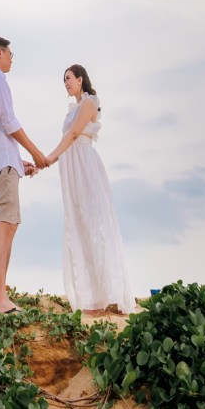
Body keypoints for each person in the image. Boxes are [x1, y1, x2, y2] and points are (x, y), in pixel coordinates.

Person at [46, 65, 135, 316]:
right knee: (79, 224)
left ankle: (110, 293)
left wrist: (50, 158)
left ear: (80, 79)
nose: (65, 83)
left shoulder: (89, 102)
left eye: (68, 78)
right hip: (71, 167)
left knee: (95, 224)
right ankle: (92, 296)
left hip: (84, 166)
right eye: (63, 80)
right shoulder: (72, 108)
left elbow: (74, 134)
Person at [0, 36, 49, 314]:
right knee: (2, 222)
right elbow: (9, 122)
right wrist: (37, 153)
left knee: (9, 225)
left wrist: (21, 161)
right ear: (0, 52)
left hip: (2, 162)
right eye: (10, 53)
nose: (12, 58)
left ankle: (0, 295)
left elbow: (0, 130)